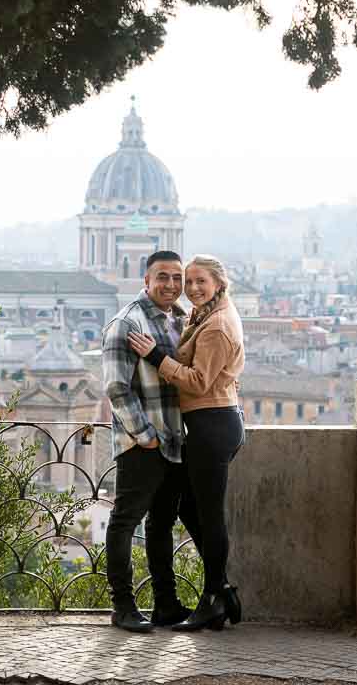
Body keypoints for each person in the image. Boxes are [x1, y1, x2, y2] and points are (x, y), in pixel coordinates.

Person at [128, 254, 245, 631]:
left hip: (211, 425)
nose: (191, 288)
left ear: (219, 285)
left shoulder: (216, 326)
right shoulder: (204, 314)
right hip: (210, 422)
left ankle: (214, 596)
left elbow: (197, 381)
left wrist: (155, 354)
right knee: (193, 511)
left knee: (208, 515)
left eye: (200, 282)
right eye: (187, 281)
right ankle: (221, 588)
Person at [101, 251, 195, 633]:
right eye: (163, 277)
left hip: (174, 440)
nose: (171, 285)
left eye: (177, 277)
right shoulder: (126, 323)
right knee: (125, 522)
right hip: (145, 443)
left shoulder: (180, 320)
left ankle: (166, 604)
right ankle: (122, 606)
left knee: (161, 524)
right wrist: (145, 437)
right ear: (146, 280)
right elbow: (116, 388)